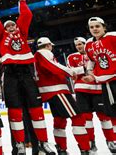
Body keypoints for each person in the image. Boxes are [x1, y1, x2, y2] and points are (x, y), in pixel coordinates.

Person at [0, 0, 54, 155]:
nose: (11, 27)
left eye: (13, 25)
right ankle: (19, 145)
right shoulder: (1, 35)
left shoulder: (22, 32)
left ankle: (43, 142)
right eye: (8, 25)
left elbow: (26, 16)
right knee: (14, 109)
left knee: (36, 108)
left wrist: (22, 1)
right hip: (10, 72)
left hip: (25, 71)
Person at [34, 37, 90, 155]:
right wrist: (70, 72)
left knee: (60, 120)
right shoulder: (44, 53)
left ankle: (62, 149)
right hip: (57, 90)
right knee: (78, 117)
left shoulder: (39, 55)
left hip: (50, 91)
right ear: (49, 45)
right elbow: (54, 67)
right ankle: (85, 149)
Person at [67, 36, 116, 153]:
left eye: (81, 43)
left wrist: (83, 69)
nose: (79, 46)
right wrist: (85, 68)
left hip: (98, 89)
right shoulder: (71, 57)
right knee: (86, 118)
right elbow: (71, 72)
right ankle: (91, 142)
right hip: (81, 90)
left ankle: (111, 141)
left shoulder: (96, 55)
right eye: (77, 45)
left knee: (105, 117)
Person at [82, 16, 116, 153]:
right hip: (105, 83)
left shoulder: (113, 37)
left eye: (97, 26)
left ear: (104, 27)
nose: (95, 29)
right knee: (113, 115)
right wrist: (90, 74)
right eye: (92, 27)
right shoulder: (89, 44)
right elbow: (91, 61)